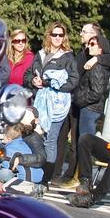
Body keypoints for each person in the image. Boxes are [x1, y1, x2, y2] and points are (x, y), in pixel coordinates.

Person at [56, 23, 110, 187]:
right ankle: (64, 174)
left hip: (85, 104)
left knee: (82, 141)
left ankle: (79, 177)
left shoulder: (98, 58)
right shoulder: (83, 52)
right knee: (66, 139)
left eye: (86, 33)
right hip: (74, 101)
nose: (81, 34)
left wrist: (97, 58)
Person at [24, 21, 79, 185]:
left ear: (64, 37)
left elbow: (73, 81)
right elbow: (27, 74)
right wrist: (32, 81)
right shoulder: (40, 54)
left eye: (60, 35)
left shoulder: (68, 57)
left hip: (56, 106)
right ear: (49, 35)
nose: (57, 38)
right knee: (33, 135)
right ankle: (32, 171)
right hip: (37, 102)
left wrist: (48, 83)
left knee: (50, 139)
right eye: (54, 34)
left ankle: (46, 178)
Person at [0, 107, 46, 196]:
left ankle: (27, 187)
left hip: (22, 175)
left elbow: (41, 157)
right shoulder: (18, 137)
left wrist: (20, 159)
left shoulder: (32, 137)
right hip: (27, 174)